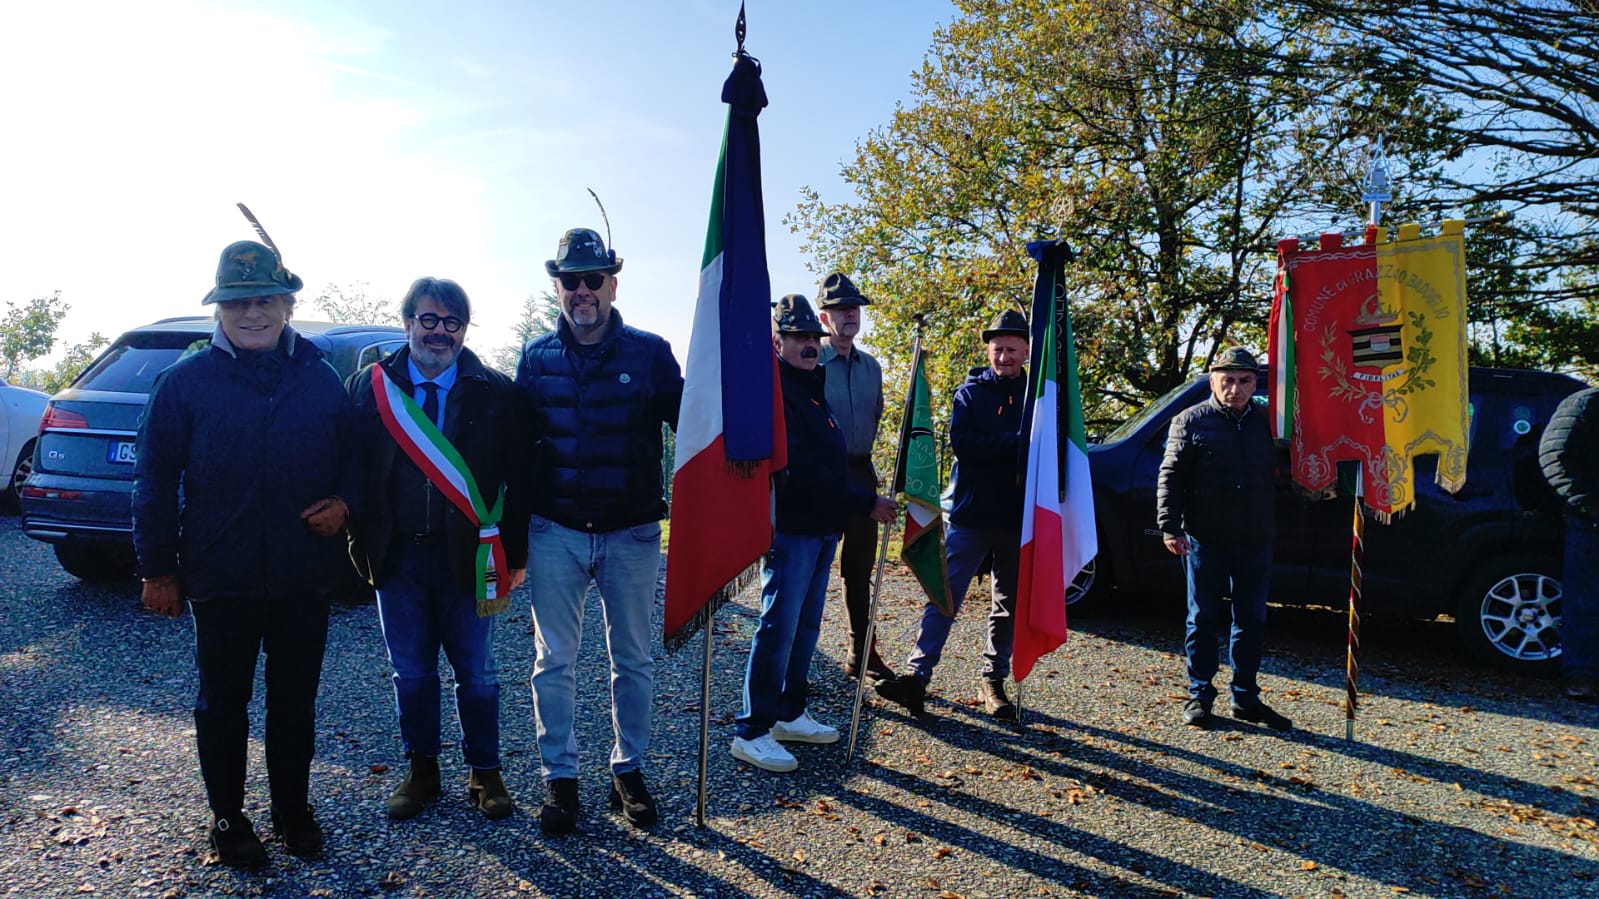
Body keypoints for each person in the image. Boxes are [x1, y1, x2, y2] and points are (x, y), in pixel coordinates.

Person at [132, 240, 361, 866]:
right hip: (221, 575)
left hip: (301, 577)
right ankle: (229, 819)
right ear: (219, 309)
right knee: (222, 706)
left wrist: (344, 503)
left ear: (287, 305)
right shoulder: (185, 383)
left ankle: (292, 810)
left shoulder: (319, 377)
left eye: (263, 300)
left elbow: (355, 463)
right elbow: (153, 479)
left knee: (294, 703)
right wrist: (156, 568)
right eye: (237, 302)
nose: (250, 314)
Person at [515, 228, 683, 833]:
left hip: (631, 532)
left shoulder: (650, 352)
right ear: (556, 285)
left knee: (632, 659)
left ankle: (627, 769)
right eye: (570, 280)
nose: (582, 291)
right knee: (553, 661)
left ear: (613, 282)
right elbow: (515, 449)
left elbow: (693, 427)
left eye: (593, 279)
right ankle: (559, 779)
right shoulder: (535, 359)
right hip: (555, 530)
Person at [347, 277, 531, 823]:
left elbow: (517, 479)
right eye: (428, 319)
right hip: (397, 555)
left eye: (452, 322)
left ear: (464, 330)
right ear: (407, 323)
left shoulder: (496, 392)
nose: (439, 332)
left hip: (469, 557)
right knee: (411, 672)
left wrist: (515, 555)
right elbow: (351, 467)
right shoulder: (369, 387)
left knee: (477, 672)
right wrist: (360, 540)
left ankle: (486, 772)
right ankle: (422, 771)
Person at [731, 295, 897, 773]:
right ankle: (752, 728)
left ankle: (788, 711)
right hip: (794, 527)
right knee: (777, 626)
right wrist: (864, 501)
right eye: (798, 337)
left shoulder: (811, 385)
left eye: (811, 337)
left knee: (805, 625)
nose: (808, 345)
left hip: (824, 526)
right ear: (777, 342)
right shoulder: (777, 393)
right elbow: (802, 468)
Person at [876, 309, 1030, 720]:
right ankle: (916, 677)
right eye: (998, 349)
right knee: (942, 596)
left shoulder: (1040, 395)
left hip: (1019, 519)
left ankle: (993, 680)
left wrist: (1005, 445)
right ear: (989, 350)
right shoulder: (970, 394)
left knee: (1008, 604)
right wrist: (1017, 442)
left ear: (1027, 350)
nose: (1004, 357)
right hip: (971, 515)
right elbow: (966, 445)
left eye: (1012, 349)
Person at [1155, 346, 1292, 731]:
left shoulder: (1269, 422)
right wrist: (1170, 526)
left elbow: (1298, 462)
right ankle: (1200, 695)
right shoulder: (1190, 420)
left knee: (1251, 619)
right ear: (1213, 380)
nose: (1235, 389)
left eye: (1244, 381)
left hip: (1254, 537)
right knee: (1202, 618)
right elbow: (1171, 477)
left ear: (1255, 384)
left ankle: (1245, 697)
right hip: (1204, 537)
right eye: (1227, 380)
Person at [815, 272, 893, 684]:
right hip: (820, 476)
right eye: (839, 309)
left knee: (858, 570)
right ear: (823, 318)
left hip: (860, 471)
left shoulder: (872, 367)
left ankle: (861, 651)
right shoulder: (811, 363)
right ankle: (795, 665)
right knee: (809, 566)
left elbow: (875, 415)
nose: (849, 314)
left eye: (854, 308)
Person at [1540, 385, 1599, 703]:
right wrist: (1590, 506)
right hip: (1589, 522)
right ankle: (1581, 675)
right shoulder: (1586, 404)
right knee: (1586, 601)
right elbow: (1555, 456)